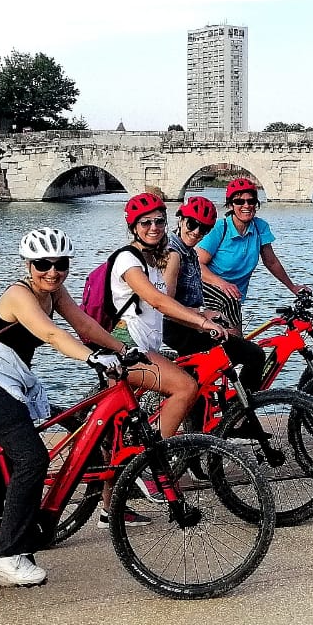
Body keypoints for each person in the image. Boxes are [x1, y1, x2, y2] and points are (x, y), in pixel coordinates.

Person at [0, 227, 138, 588]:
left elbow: (83, 324)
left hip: (6, 383)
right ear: (28, 264)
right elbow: (53, 334)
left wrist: (122, 349)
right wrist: (92, 359)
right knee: (32, 459)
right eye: (43, 264)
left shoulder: (54, 292)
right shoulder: (18, 295)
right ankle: (7, 556)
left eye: (61, 264)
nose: (52, 271)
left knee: (1, 466)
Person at [107, 192, 224, 448]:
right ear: (133, 227)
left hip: (145, 347)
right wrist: (202, 322)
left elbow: (168, 305)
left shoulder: (155, 259)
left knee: (116, 434)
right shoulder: (128, 259)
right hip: (126, 348)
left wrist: (203, 316)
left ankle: (129, 462)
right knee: (186, 387)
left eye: (159, 221)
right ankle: (154, 457)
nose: (154, 227)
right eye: (145, 222)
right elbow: (158, 301)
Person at [164, 195, 268, 391]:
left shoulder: (189, 252)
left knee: (202, 381)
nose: (196, 232)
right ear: (180, 220)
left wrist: (207, 314)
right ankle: (244, 408)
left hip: (188, 326)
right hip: (179, 329)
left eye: (203, 229)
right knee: (254, 355)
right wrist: (203, 315)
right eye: (192, 224)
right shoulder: (174, 255)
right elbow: (166, 306)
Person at [196, 177, 309, 334]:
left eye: (251, 201)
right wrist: (222, 284)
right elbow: (197, 265)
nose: (246, 205)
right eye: (239, 202)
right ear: (230, 205)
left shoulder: (259, 227)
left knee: (235, 339)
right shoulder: (220, 228)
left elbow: (271, 262)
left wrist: (293, 287)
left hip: (233, 297)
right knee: (234, 342)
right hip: (208, 291)